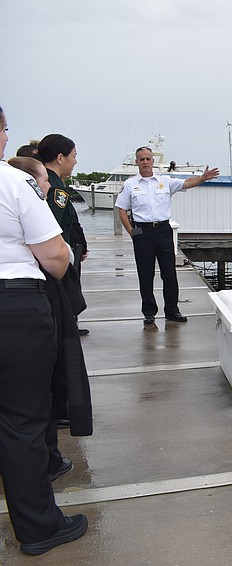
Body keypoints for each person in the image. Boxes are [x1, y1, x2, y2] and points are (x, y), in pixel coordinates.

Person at [0, 106, 88, 555]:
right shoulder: (14, 182)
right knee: (23, 422)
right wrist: (69, 257)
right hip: (14, 302)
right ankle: (39, 527)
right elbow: (54, 257)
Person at [116, 146, 219, 324]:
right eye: (142, 159)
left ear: (153, 162)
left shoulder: (165, 181)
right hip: (142, 232)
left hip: (163, 231)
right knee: (146, 273)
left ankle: (172, 310)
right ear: (136, 162)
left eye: (148, 159)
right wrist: (132, 232)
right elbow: (122, 210)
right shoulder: (130, 185)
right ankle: (149, 312)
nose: (145, 162)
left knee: (169, 273)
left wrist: (202, 178)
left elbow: (186, 183)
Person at [37, 134, 89, 336]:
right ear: (60, 158)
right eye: (74, 156)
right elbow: (53, 228)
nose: (75, 161)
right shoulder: (55, 188)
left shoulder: (45, 181)